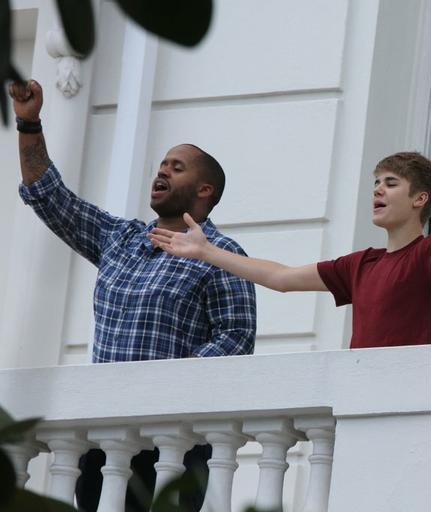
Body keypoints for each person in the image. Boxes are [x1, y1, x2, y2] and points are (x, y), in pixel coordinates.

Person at [9, 80, 257, 512]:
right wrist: (29, 122)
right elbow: (48, 196)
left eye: (177, 168)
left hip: (173, 448)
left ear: (205, 191)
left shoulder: (224, 256)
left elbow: (236, 339)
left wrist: (159, 385)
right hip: (102, 444)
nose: (161, 172)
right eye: (161, 165)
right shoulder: (118, 238)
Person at [150, 152, 431, 348]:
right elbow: (282, 278)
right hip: (356, 395)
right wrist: (206, 251)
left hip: (406, 396)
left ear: (420, 198)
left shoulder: (428, 252)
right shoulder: (361, 264)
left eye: (391, 183)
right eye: (376, 184)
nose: (378, 191)